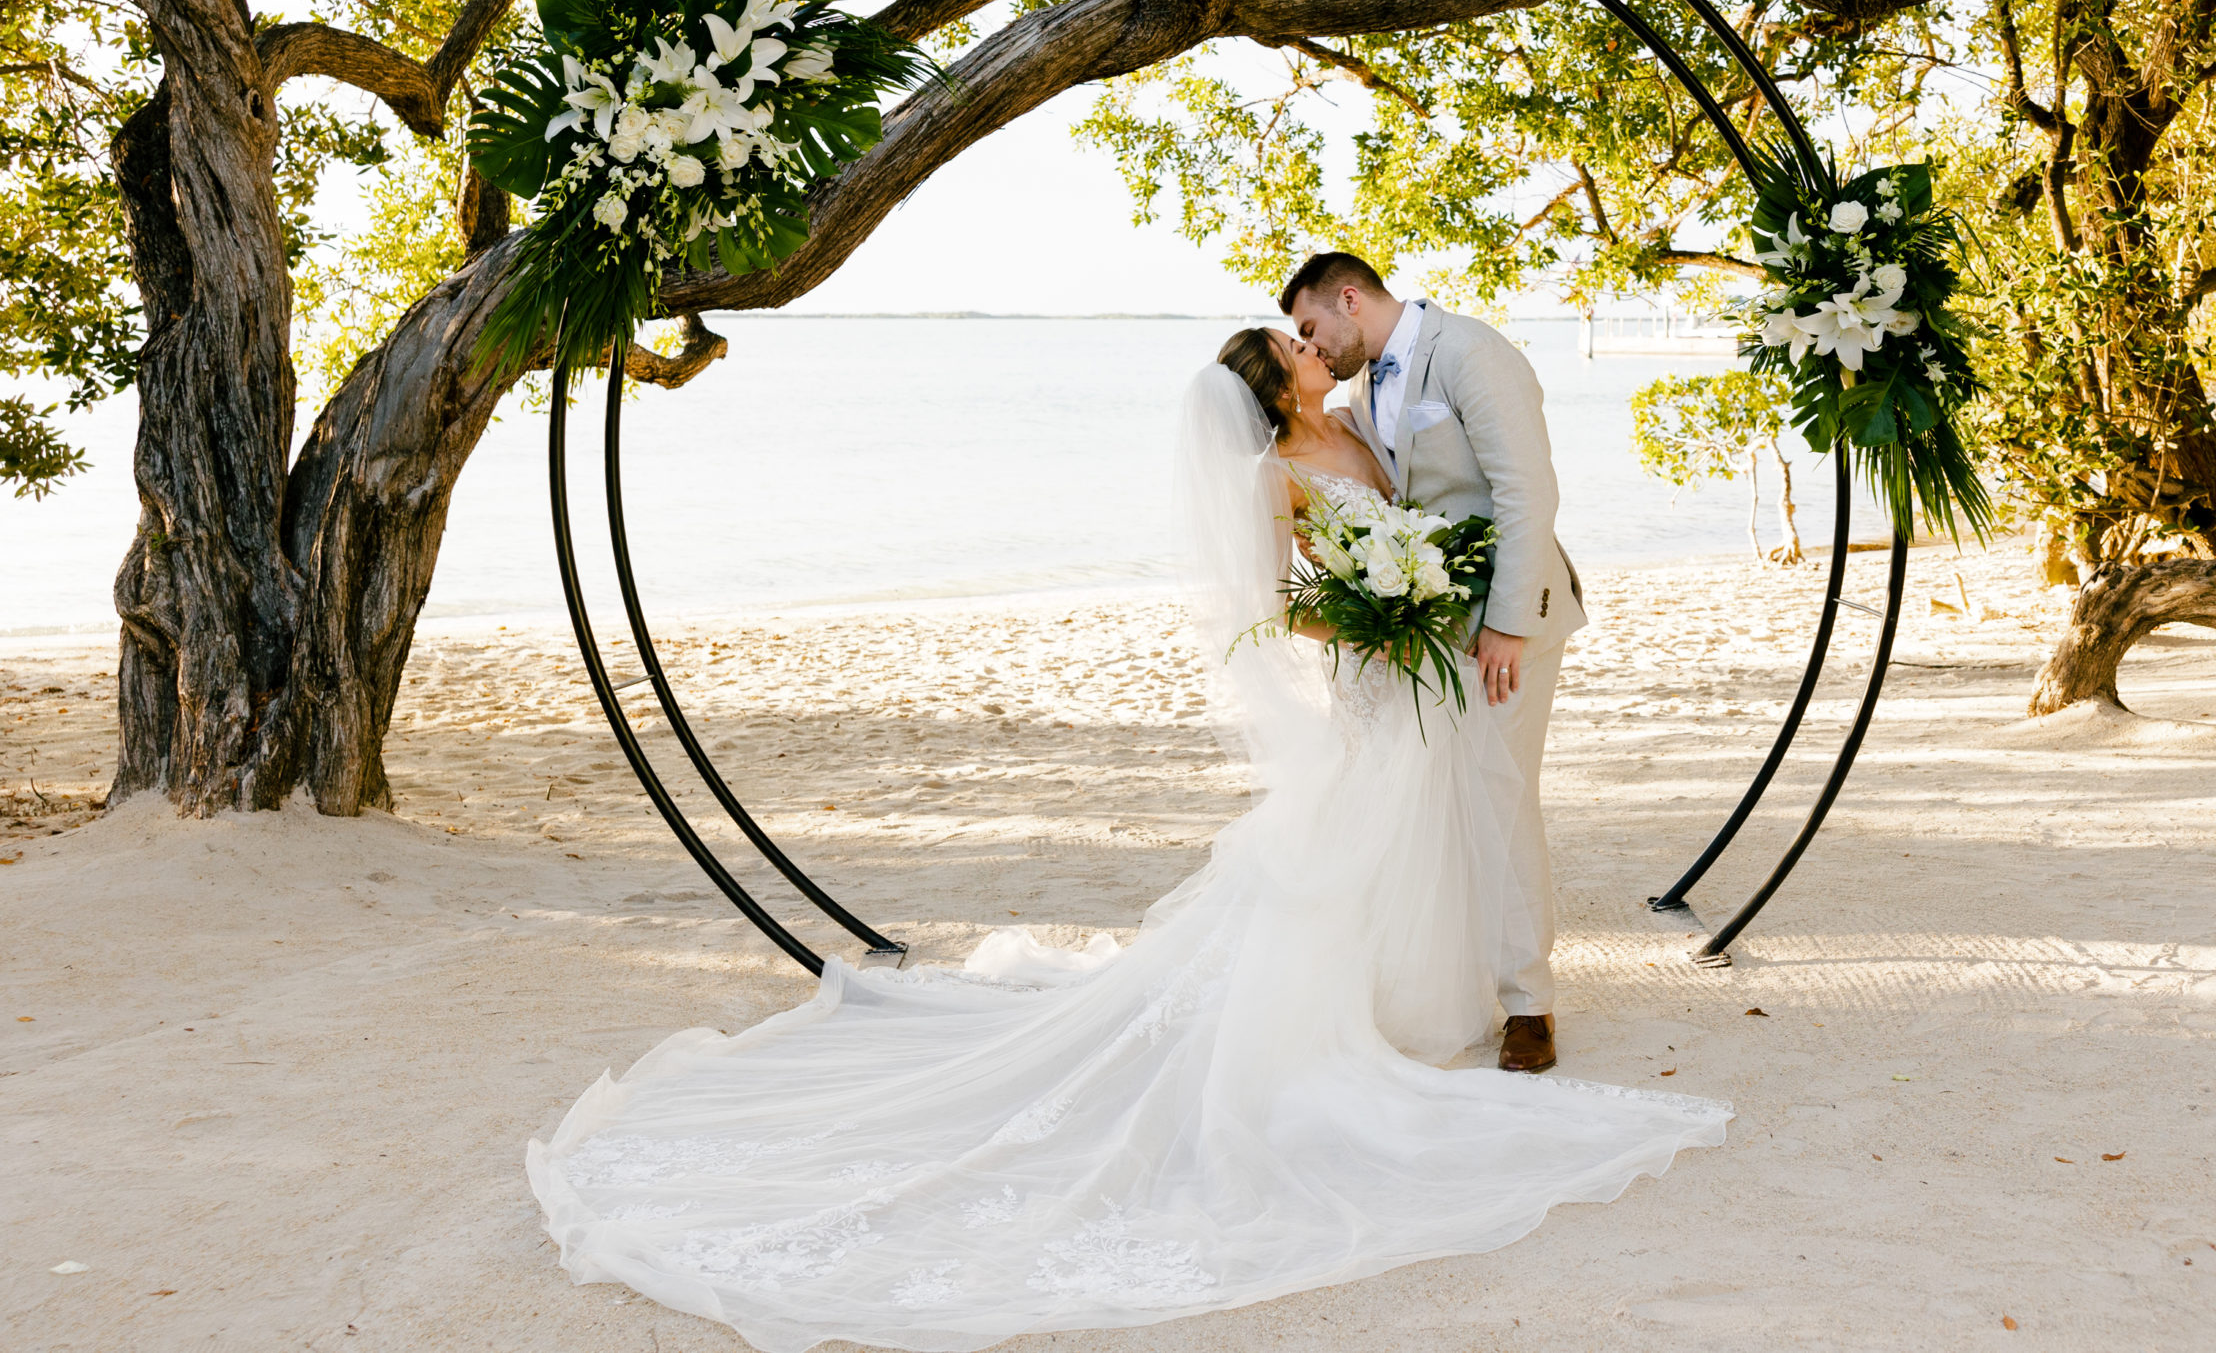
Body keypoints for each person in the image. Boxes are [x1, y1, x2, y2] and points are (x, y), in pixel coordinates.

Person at [525, 315, 1721, 1353]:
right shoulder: (1273, 473)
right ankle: (1360, 1006)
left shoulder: (1360, 422)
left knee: (1432, 825)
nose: (1312, 348)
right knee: (1365, 832)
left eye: (1311, 335)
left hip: (1428, 661)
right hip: (1377, 667)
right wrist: (1371, 616)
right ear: (1270, 388)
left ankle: (1447, 982)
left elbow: (1440, 497)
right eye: (1292, 347)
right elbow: (1274, 602)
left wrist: (1419, 592)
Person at [1280, 250, 1583, 1074]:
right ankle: (1444, 979)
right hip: (1422, 632)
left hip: (1502, 624)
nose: (1310, 345)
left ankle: (1529, 1004)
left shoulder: (1473, 354)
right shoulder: (1353, 395)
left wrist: (1511, 625)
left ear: (1349, 298)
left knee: (1499, 795)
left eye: (1310, 328)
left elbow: (1527, 493)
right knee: (1436, 805)